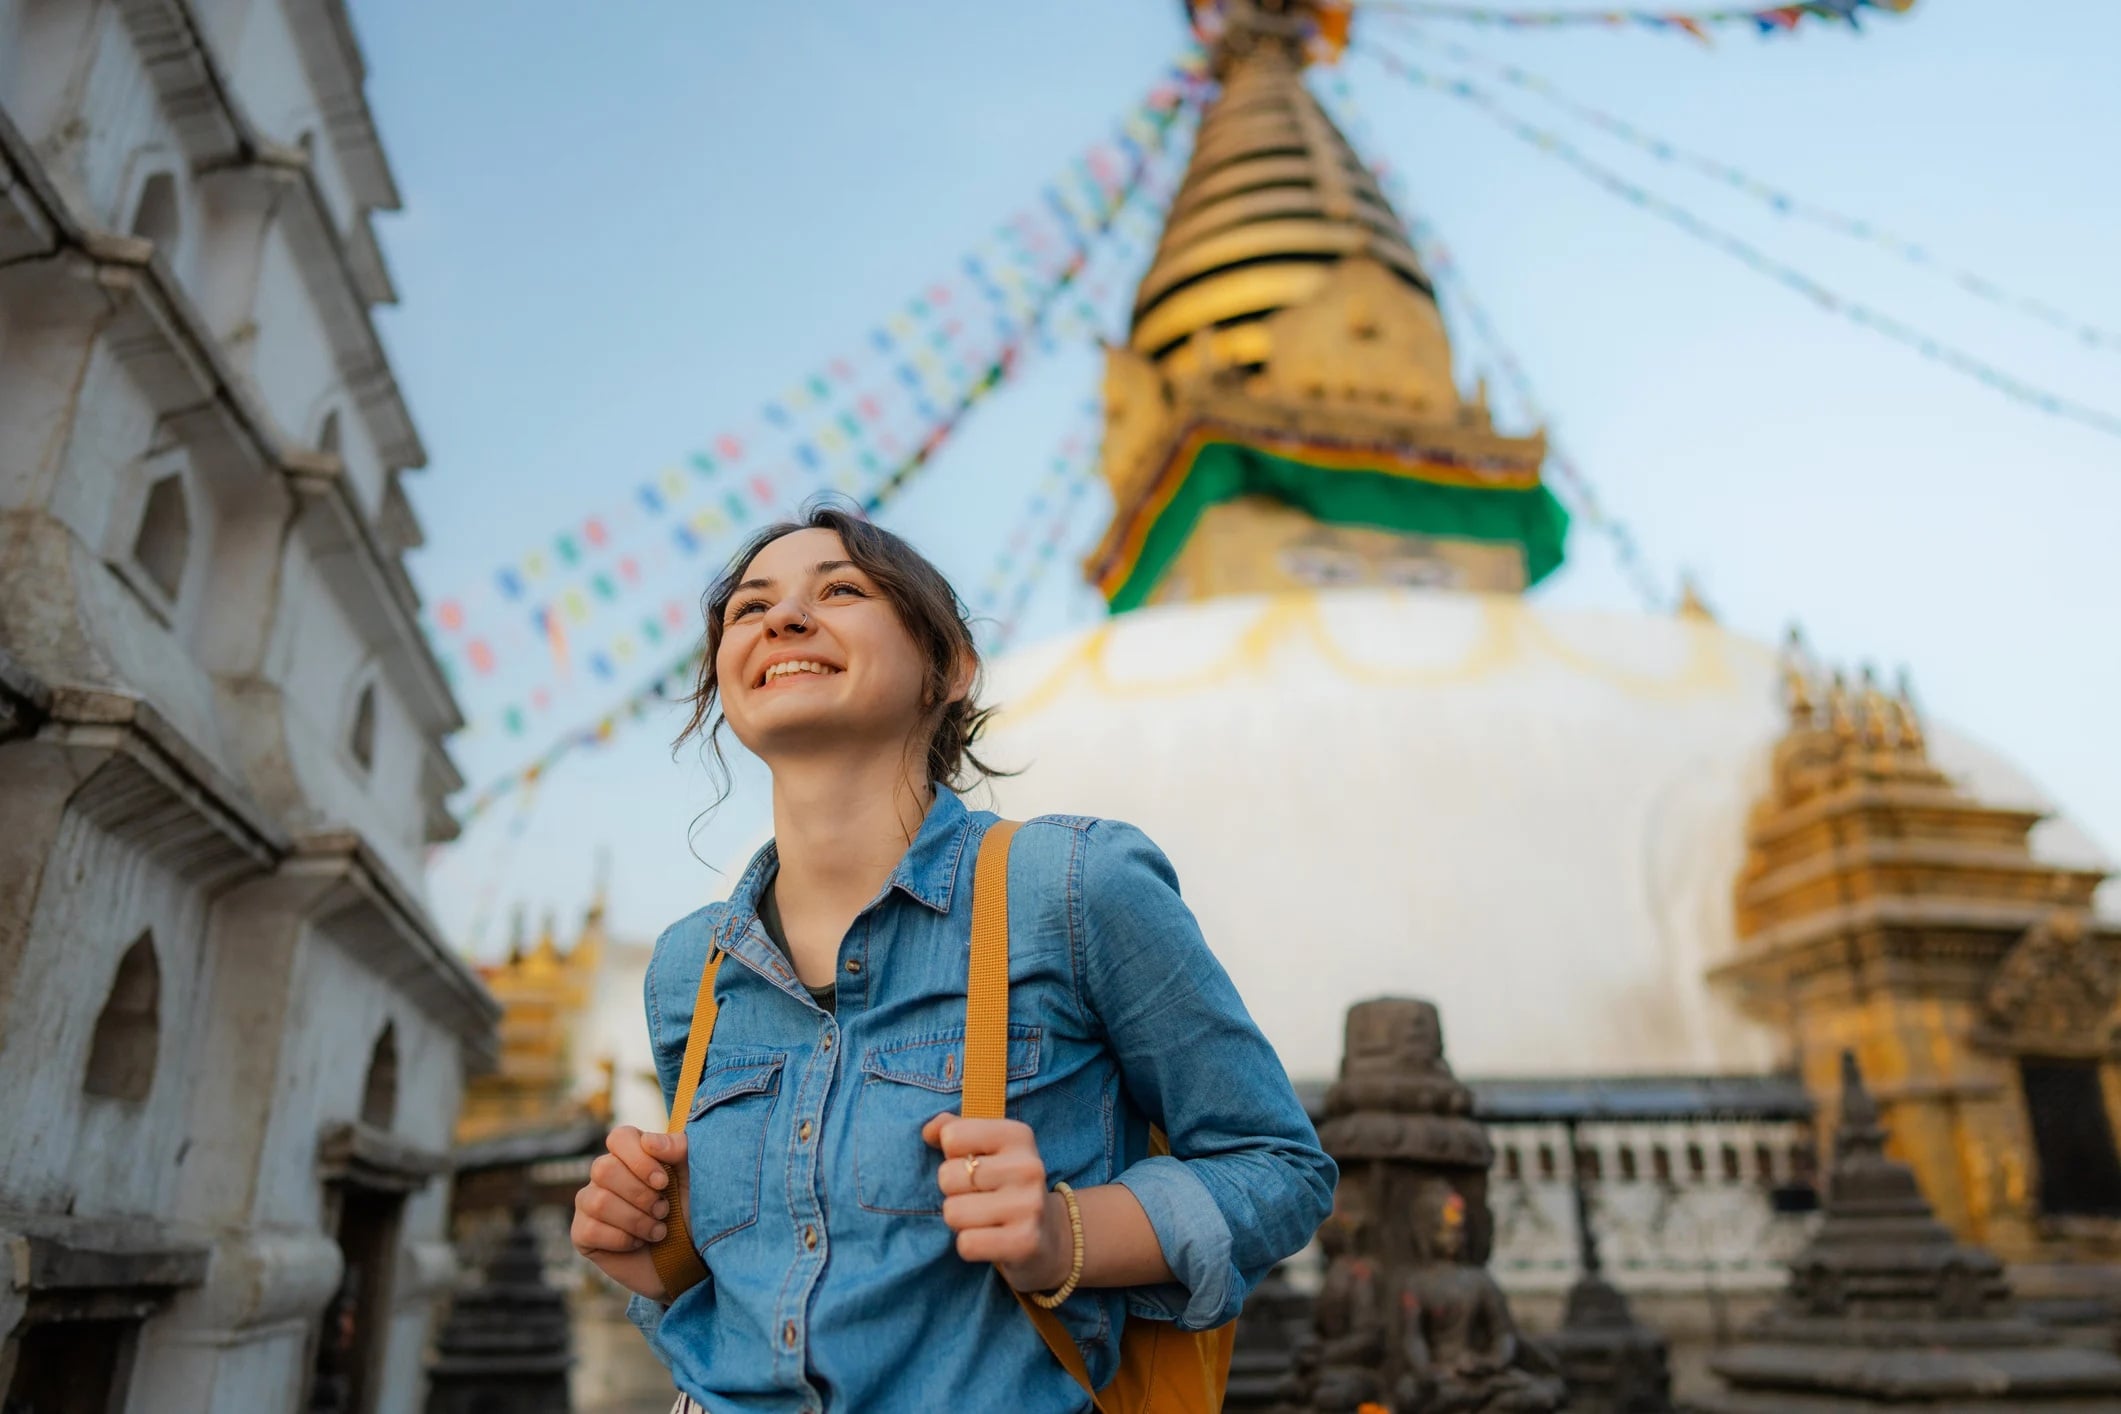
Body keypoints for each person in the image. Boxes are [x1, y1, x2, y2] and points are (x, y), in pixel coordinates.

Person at [569, 502, 1334, 1411]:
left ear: (950, 668)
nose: (783, 619)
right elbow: (754, 1272)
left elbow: (1277, 1168)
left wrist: (1065, 1233)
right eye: (749, 609)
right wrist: (651, 1252)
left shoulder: (1071, 887)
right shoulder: (690, 969)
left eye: (841, 590)